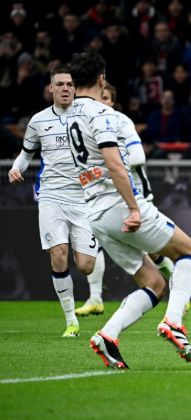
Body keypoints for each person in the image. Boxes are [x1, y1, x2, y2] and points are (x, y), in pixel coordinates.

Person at [66, 51, 191, 369]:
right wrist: (134, 208)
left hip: (95, 213)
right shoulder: (100, 113)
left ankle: (107, 336)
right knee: (189, 252)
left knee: (153, 283)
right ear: (101, 79)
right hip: (119, 205)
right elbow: (115, 164)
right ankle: (174, 322)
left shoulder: (68, 116)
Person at [7, 66, 102, 337]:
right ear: (51, 89)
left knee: (85, 265)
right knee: (58, 255)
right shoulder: (38, 121)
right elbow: (26, 154)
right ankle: (71, 321)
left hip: (84, 197)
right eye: (59, 84)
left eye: (69, 84)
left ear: (75, 88)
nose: (65, 89)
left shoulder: (87, 115)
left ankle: (90, 246)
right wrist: (17, 168)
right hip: (51, 196)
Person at [74, 82, 176, 317]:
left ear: (113, 101)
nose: (102, 102)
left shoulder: (120, 121)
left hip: (134, 192)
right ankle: (95, 298)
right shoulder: (88, 124)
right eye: (100, 98)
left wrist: (112, 166)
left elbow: (138, 158)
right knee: (94, 242)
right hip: (98, 196)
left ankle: (175, 283)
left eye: (107, 98)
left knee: (152, 252)